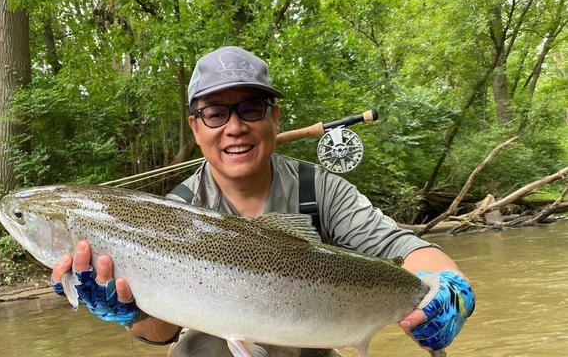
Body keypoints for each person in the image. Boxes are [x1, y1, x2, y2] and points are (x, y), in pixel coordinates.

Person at [51, 46, 475, 356]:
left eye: (250, 109)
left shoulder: (319, 189)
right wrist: (130, 313)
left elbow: (415, 253)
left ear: (274, 118)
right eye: (216, 114)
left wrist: (449, 292)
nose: (234, 127)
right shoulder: (174, 212)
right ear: (195, 129)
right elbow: (160, 332)